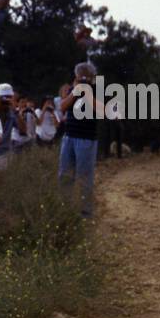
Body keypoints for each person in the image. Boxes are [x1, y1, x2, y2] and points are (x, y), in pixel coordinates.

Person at [57, 62, 100, 217]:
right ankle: (64, 210)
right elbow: (62, 107)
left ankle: (86, 213)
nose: (83, 78)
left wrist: (88, 94)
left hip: (87, 139)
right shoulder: (72, 90)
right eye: (80, 75)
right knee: (64, 175)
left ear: (92, 77)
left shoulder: (98, 90)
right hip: (69, 137)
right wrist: (76, 92)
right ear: (76, 76)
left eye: (86, 76)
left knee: (84, 177)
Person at [0, 82, 18, 170]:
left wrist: (15, 111)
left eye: (9, 97)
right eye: (3, 97)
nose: (6, 100)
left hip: (5, 154)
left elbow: (23, 130)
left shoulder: (11, 112)